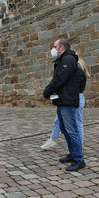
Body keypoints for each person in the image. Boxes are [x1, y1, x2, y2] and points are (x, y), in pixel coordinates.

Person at [43, 39, 85, 171]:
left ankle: (79, 159)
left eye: (55, 46)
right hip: (63, 100)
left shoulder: (68, 59)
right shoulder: (64, 60)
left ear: (61, 47)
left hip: (68, 100)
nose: (53, 49)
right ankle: (72, 154)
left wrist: (47, 91)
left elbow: (59, 79)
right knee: (63, 127)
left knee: (71, 129)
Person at [41, 49, 90, 150]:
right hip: (70, 97)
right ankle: (52, 139)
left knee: (76, 123)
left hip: (75, 97)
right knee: (59, 120)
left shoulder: (77, 67)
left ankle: (78, 147)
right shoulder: (73, 65)